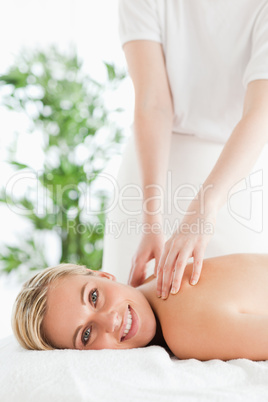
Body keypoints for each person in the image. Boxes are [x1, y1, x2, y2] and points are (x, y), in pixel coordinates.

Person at [102, 0, 268, 298]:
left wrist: (205, 207)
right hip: (151, 173)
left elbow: (260, 113)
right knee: (129, 311)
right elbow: (153, 104)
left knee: (228, 319)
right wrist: (153, 219)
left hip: (235, 176)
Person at [12, 253, 268, 361]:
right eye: (86, 335)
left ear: (104, 276)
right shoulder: (153, 279)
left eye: (93, 297)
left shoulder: (184, 330)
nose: (110, 321)